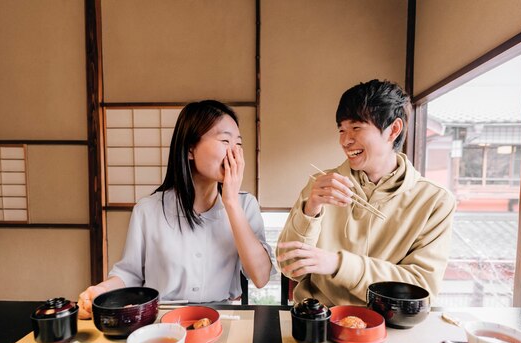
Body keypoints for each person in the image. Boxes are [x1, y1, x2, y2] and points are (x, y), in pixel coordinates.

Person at [78, 100, 274, 319]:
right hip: (162, 320)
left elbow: (261, 277)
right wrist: (102, 290)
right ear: (190, 149)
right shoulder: (148, 210)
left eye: (238, 144)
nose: (234, 153)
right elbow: (130, 273)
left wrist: (231, 202)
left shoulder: (245, 205)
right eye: (225, 140)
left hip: (223, 319)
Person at [276, 80, 456, 306]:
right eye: (341, 129)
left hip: (388, 323)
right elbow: (289, 266)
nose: (345, 140)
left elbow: (422, 289)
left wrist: (338, 264)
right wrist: (310, 210)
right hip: (320, 320)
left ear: (393, 129)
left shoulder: (434, 201)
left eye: (356, 128)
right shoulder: (321, 186)